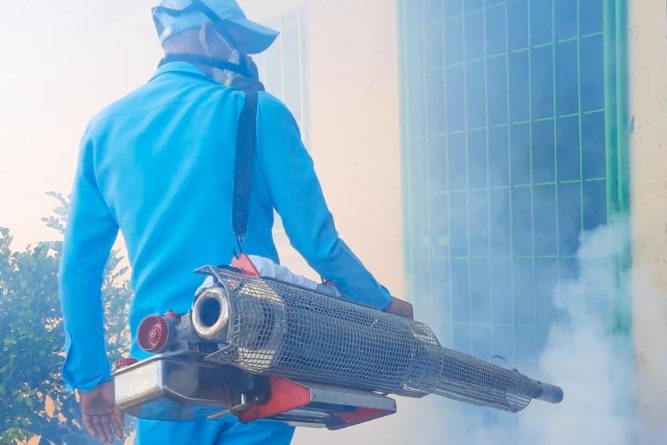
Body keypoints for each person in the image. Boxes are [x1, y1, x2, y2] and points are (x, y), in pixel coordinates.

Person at [58, 1, 412, 444]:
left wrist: (91, 382)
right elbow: (317, 241)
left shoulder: (103, 131)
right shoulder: (260, 111)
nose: (244, 57)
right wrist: (380, 305)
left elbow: (78, 272)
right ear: (207, 35)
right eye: (238, 42)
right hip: (256, 367)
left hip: (164, 378)